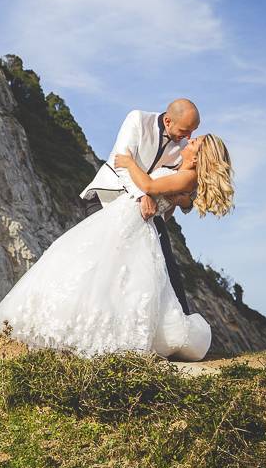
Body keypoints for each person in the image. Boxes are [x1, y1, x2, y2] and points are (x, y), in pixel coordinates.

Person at [0, 133, 234, 361]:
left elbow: (148, 186)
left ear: (201, 155)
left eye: (195, 143)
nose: (189, 143)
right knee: (98, 271)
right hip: (125, 217)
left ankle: (88, 331)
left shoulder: (187, 176)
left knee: (109, 275)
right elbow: (164, 205)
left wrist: (129, 163)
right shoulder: (182, 174)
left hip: (131, 222)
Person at [80, 99, 200, 315]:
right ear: (168, 120)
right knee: (97, 259)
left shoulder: (185, 148)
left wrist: (179, 202)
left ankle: (181, 323)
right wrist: (141, 195)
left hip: (147, 215)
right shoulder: (137, 120)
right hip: (107, 197)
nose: (188, 137)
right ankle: (85, 313)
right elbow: (122, 161)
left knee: (161, 265)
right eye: (185, 130)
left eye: (193, 132)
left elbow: (185, 190)